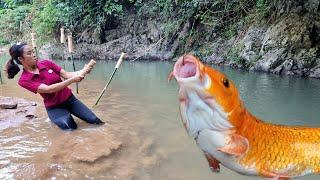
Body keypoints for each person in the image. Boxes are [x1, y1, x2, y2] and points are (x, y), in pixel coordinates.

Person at [5, 42, 104, 130]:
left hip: (70, 100)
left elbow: (67, 75)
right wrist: (72, 80)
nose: (34, 55)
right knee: (70, 127)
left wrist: (83, 71)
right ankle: (54, 118)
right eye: (29, 53)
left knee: (96, 121)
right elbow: (49, 90)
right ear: (21, 59)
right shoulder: (24, 80)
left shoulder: (46, 63)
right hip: (54, 107)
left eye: (33, 51)